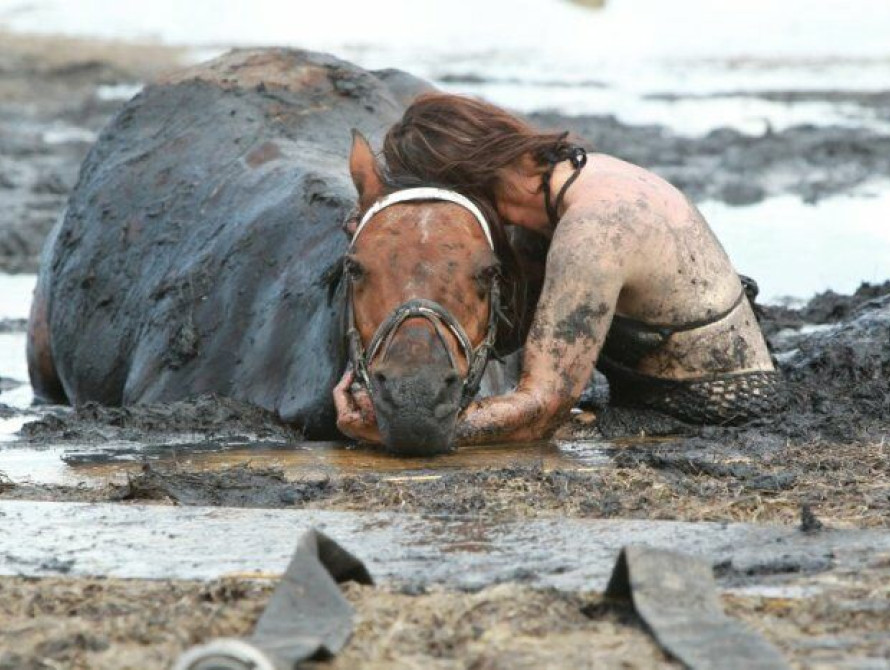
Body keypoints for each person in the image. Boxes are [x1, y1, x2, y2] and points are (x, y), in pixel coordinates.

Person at [334, 94, 782, 445]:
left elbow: (543, 408)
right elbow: (509, 335)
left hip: (709, 412)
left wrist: (402, 427)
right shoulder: (566, 190)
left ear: (464, 182)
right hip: (656, 393)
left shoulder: (594, 230)